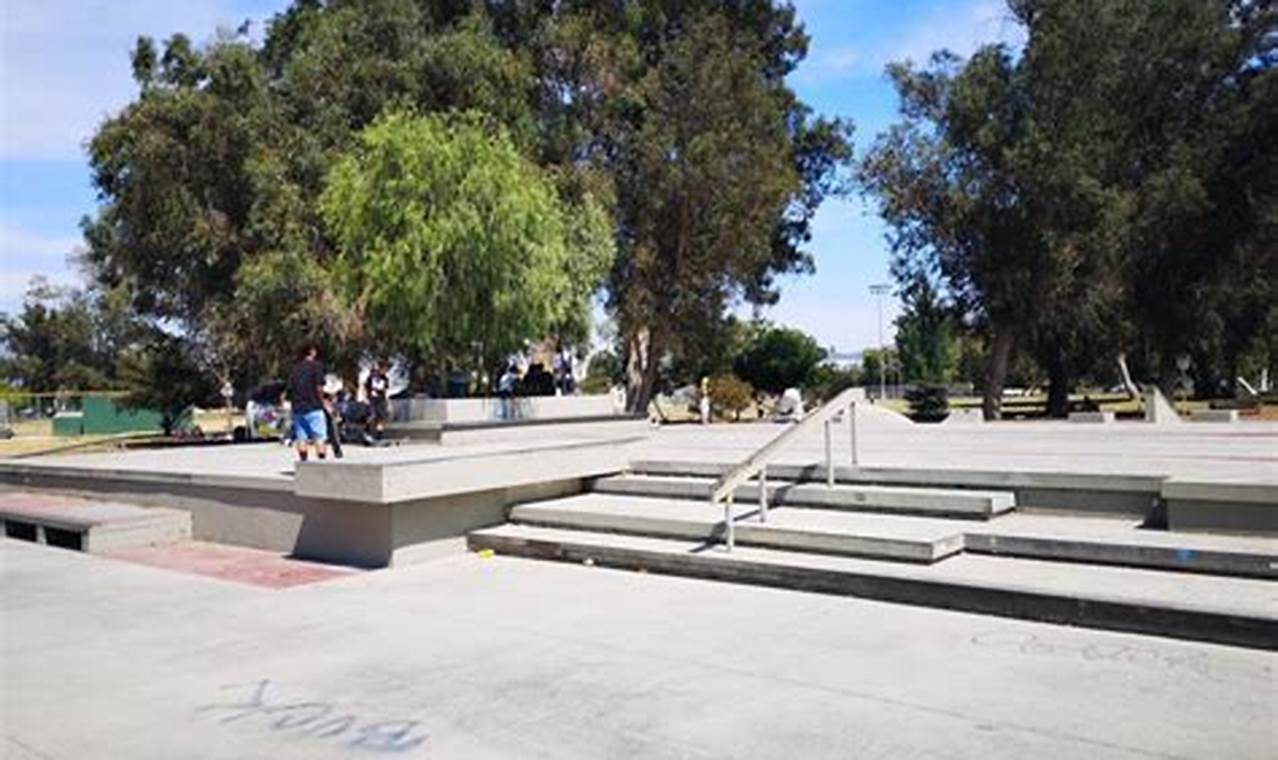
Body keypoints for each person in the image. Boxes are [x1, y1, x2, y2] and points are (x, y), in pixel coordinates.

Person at [285, 343, 328, 462]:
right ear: (312, 352)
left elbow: (289, 388)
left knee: (301, 437)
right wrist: (324, 401)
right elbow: (319, 387)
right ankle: (321, 463)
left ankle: (303, 464)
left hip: (298, 407)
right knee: (319, 436)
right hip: (314, 406)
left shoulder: (295, 368)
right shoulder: (316, 366)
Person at [365, 360, 391, 439]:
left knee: (382, 418)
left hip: (381, 400)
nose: (385, 371)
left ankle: (379, 435)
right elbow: (366, 387)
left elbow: (386, 391)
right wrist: (366, 397)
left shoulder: (385, 379)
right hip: (372, 400)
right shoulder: (371, 377)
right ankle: (367, 431)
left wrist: (388, 402)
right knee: (372, 416)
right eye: (384, 369)